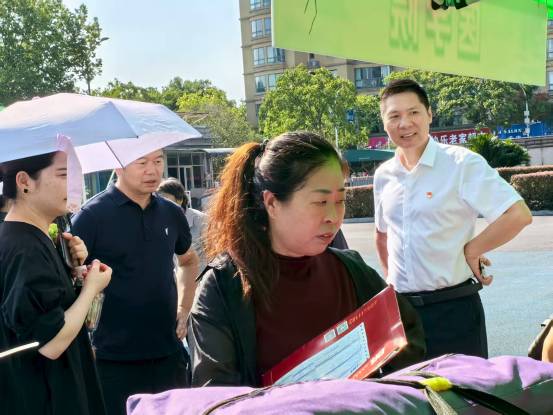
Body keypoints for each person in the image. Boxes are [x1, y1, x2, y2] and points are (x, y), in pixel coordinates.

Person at [187, 131, 425, 387]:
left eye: (340, 200)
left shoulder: (352, 270)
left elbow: (408, 338)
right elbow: (214, 390)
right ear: (272, 203)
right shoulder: (224, 285)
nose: (333, 216)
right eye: (320, 202)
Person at [373, 79, 533, 359]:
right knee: (405, 387)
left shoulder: (461, 164)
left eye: (413, 112)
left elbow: (517, 214)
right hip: (403, 316)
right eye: (394, 116)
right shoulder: (384, 175)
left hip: (453, 311)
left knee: (462, 388)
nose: (405, 123)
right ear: (384, 123)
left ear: (429, 114)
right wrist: (390, 284)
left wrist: (472, 249)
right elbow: (383, 234)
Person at [71, 150, 200, 415]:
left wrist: (184, 307)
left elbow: (188, 260)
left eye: (158, 161)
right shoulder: (91, 216)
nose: (152, 170)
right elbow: (69, 277)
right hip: (112, 358)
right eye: (142, 163)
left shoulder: (171, 212)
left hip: (168, 354)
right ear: (117, 166)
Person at [0, 151, 112, 415]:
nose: (74, 185)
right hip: (43, 397)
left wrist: (74, 273)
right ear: (24, 182)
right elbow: (51, 342)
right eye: (64, 174)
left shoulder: (26, 237)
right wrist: (91, 288)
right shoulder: (25, 248)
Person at [158, 177, 208, 273]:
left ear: (179, 199)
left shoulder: (201, 220)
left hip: (200, 278)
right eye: (159, 200)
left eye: (166, 200)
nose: (162, 204)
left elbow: (215, 255)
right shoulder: (159, 223)